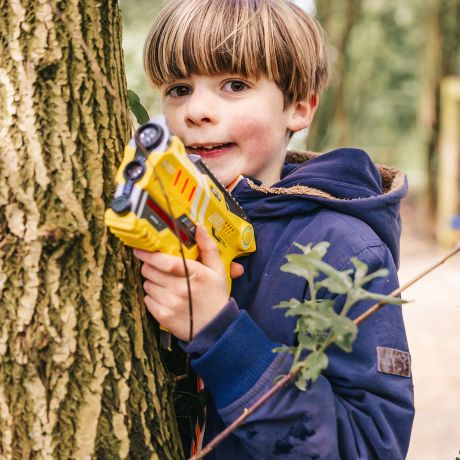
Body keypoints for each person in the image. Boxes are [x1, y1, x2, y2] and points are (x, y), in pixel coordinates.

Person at [134, 0, 415, 458]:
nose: (197, 111)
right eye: (179, 88)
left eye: (235, 84)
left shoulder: (346, 251)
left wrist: (219, 334)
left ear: (299, 108)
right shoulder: (154, 220)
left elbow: (368, 447)